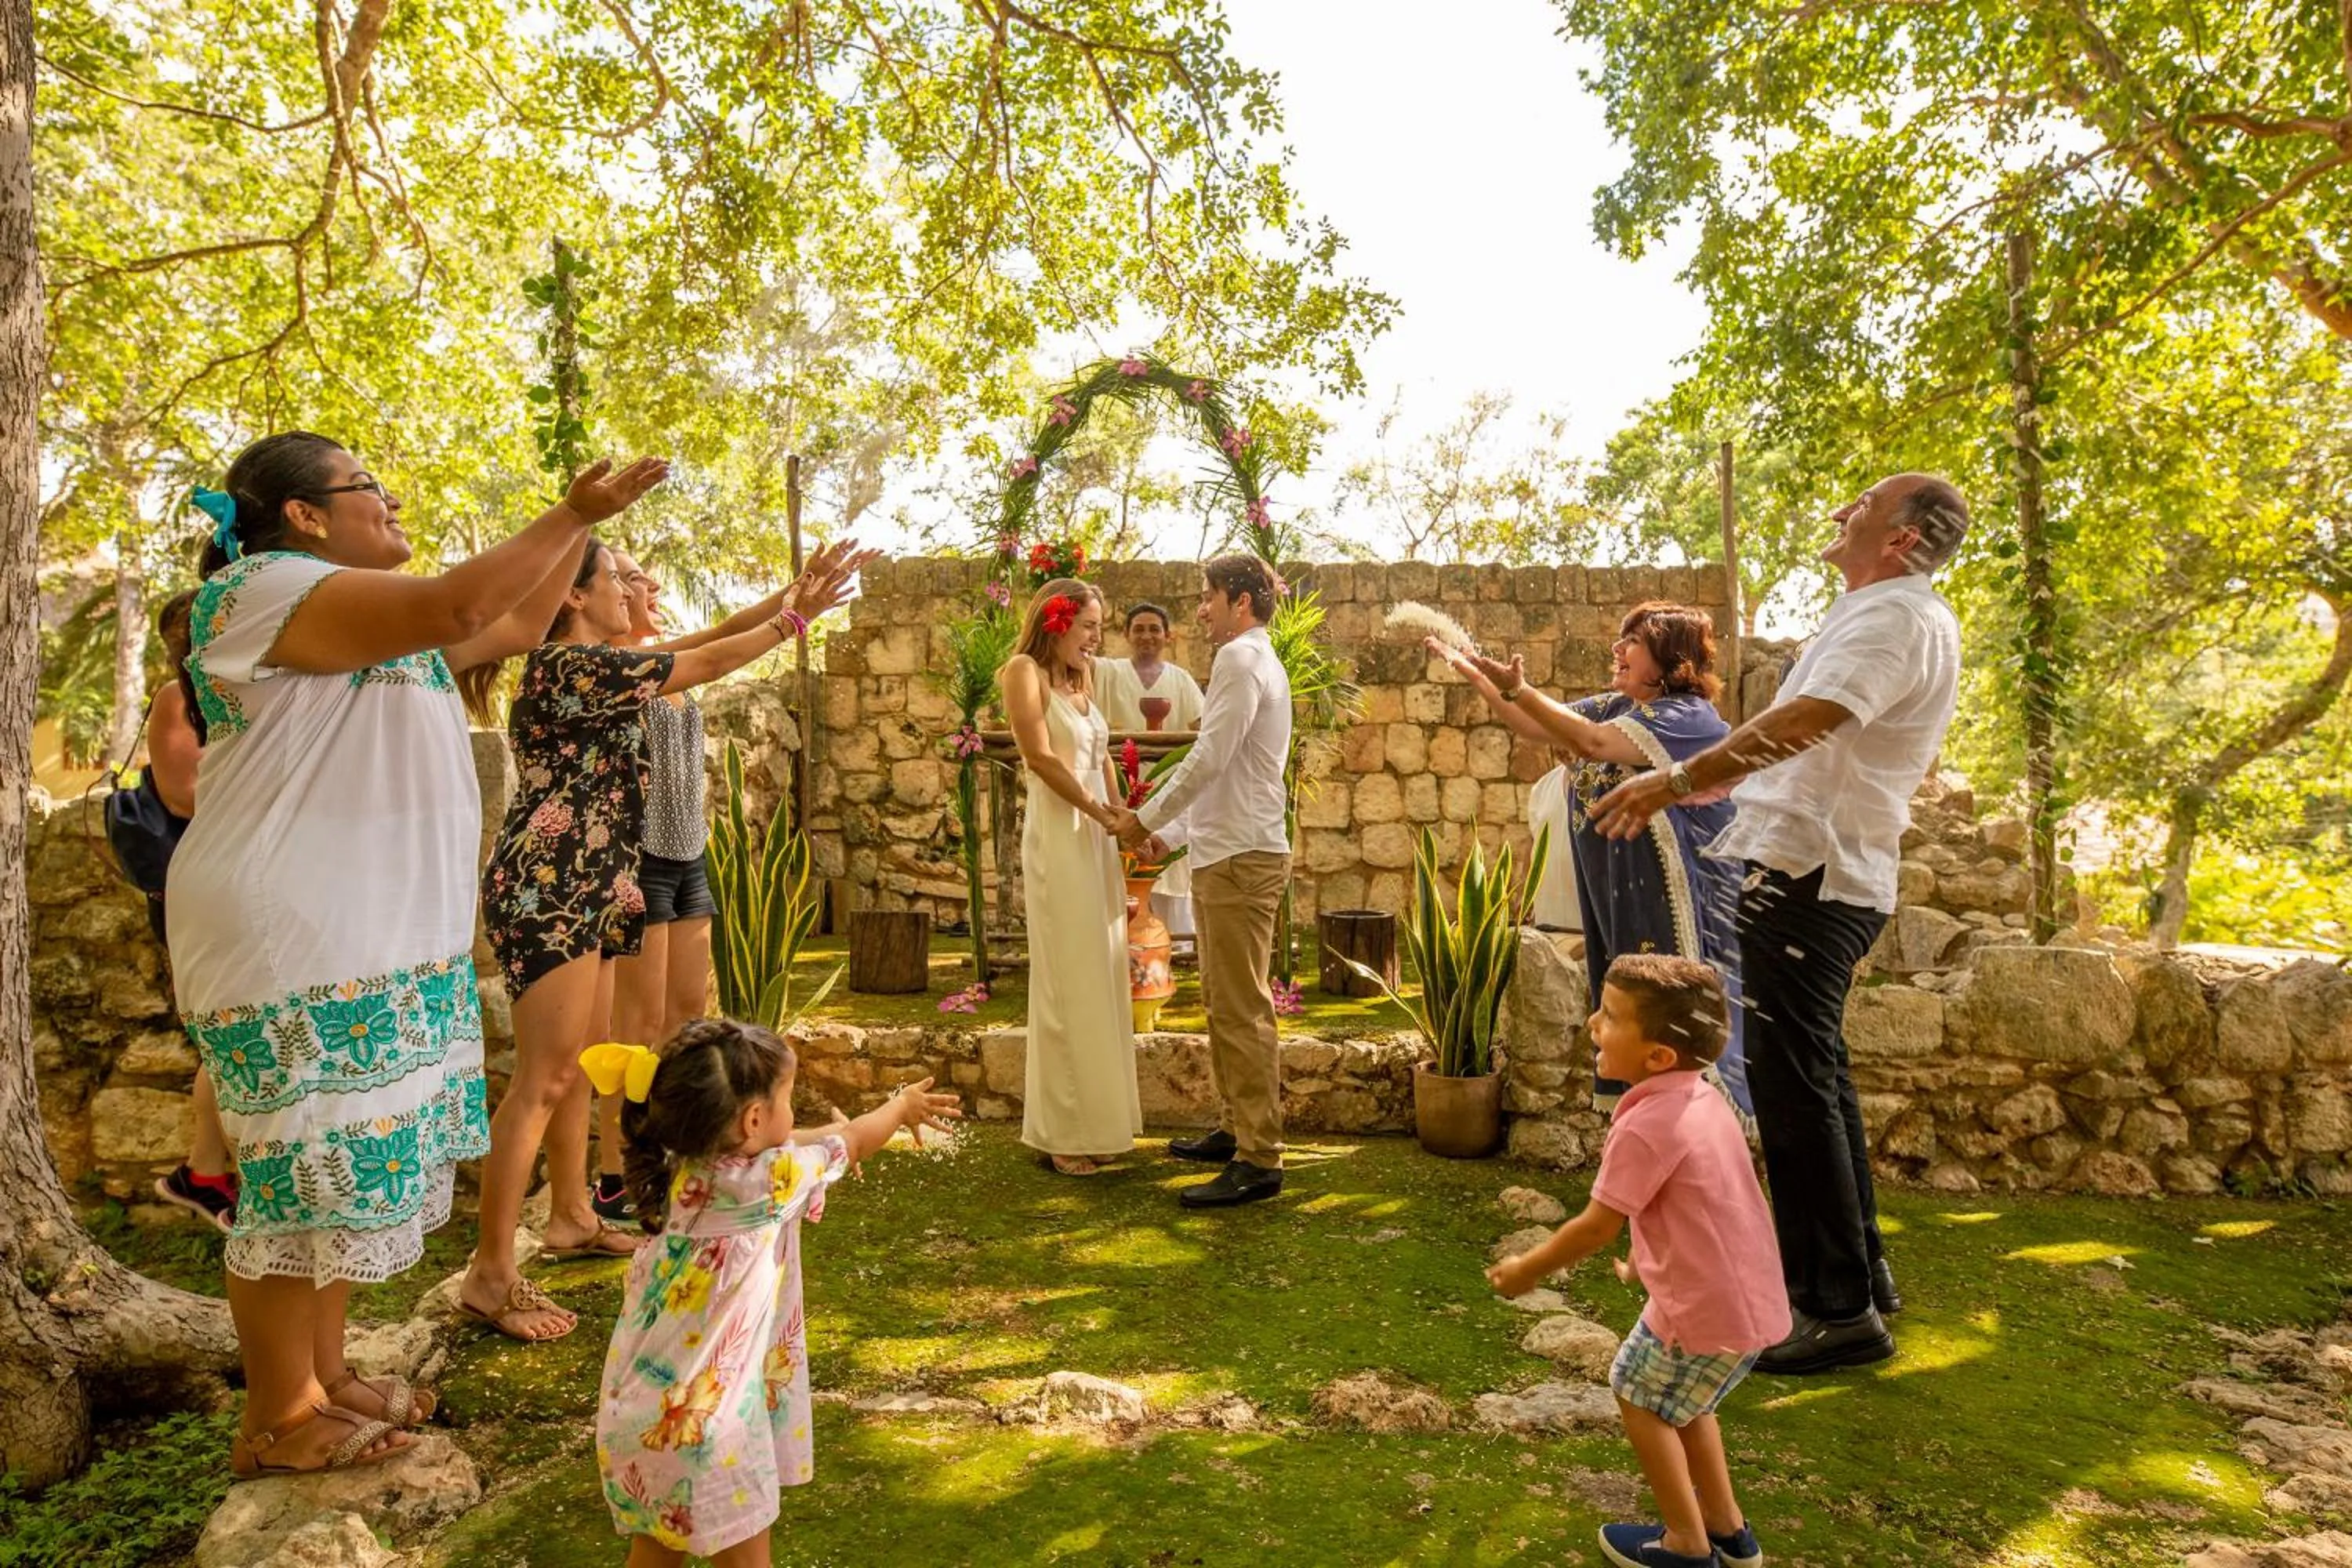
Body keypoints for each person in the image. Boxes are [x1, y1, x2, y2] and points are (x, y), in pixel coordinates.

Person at [169, 430, 668, 1476]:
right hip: (292, 933)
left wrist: (576, 541)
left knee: (345, 1170)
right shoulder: (262, 590)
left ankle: (327, 1374)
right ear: (304, 514)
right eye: (369, 488)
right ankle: (276, 1420)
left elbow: (512, 619)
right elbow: (458, 606)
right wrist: (572, 518)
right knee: (298, 1176)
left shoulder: (370, 631)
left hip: (375, 934)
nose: (391, 502)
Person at [1591, 473, 1970, 1375]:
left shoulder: (1894, 619)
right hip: (1818, 869)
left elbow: (1812, 718)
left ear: (1904, 539)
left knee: (1796, 1090)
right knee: (1818, 1077)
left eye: (1865, 506)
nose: (1843, 511)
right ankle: (1859, 1278)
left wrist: (1678, 779)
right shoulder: (1883, 613)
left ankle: (1833, 1308)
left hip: (1815, 873)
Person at [463, 536, 872, 1342]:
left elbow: (706, 643)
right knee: (542, 1078)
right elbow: (713, 659)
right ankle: (490, 1271)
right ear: (573, 597)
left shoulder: (604, 666)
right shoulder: (568, 668)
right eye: (616, 576)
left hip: (594, 882)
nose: (631, 587)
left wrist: (794, 601)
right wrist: (796, 614)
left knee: (580, 1063)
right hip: (551, 889)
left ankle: (574, 1214)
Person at [590, 1019, 960, 1568]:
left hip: (636, 1414)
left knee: (656, 1550)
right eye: (788, 1097)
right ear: (753, 1120)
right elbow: (853, 1142)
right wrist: (900, 1108)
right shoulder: (773, 1180)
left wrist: (828, 1131)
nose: (794, 1113)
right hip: (713, 1427)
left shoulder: (672, 1164)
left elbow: (790, 1141)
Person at [1486, 955, 1782, 1568]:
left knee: (1635, 1391)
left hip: (1699, 1310)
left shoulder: (1646, 1126)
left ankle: (1685, 1544)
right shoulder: (1703, 1101)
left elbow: (1596, 1225)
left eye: (1611, 1017)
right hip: (1743, 1300)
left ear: (1658, 1058)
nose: (1593, 1023)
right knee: (1688, 1405)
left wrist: (1527, 1269)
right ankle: (1728, 1532)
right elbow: (1709, 1211)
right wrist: (1647, 1265)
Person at [1428, 602, 1749, 1120]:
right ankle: (1644, 1145)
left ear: (1670, 658)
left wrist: (1516, 689)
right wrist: (1475, 672)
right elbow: (1537, 725)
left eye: (1634, 642)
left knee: (1669, 1026)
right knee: (1630, 1016)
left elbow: (1589, 742)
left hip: (1676, 908)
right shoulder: (1620, 708)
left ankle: (1691, 1150)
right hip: (1622, 900)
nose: (1617, 649)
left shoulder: (1687, 719)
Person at [1109, 554, 1292, 1209]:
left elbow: (1209, 760)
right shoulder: (1247, 660)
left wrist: (1141, 820)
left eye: (1208, 596)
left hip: (1243, 858)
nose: (1200, 608)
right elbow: (1229, 776)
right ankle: (1237, 1128)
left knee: (1241, 1007)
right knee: (1222, 1000)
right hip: (1227, 849)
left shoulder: (1242, 661)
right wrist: (1170, 835)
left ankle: (1259, 1158)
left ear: (1241, 601)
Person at [589, 550, 742, 1224]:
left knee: (687, 1016)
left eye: (648, 578)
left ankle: (679, 1153)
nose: (648, 585)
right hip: (639, 860)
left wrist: (799, 601)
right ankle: (613, 1173)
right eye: (630, 577)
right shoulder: (615, 674)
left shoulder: (671, 668)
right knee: (636, 1030)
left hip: (689, 857)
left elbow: (725, 637)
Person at [1000, 579, 1142, 1176]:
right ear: (1056, 623)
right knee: (1064, 979)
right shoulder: (1022, 672)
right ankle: (1061, 1131)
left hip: (1095, 841)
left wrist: (1123, 820)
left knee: (1100, 977)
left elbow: (1102, 754)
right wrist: (1095, 811)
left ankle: (1098, 1122)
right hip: (1059, 838)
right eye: (1088, 626)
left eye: (1099, 626)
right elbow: (1039, 756)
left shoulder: (1084, 681)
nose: (1097, 637)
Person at [136, 589, 242, 1233]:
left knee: (226, 1034)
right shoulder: (177, 699)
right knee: (225, 1033)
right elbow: (184, 794)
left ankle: (205, 1171)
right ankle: (205, 1172)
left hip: (240, 882)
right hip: (200, 888)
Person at [1094, 601, 1206, 938]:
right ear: (1126, 634)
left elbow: (1203, 729)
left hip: (1169, 789)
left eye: (1154, 629)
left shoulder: (1181, 680)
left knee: (1170, 865)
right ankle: (1122, 945)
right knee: (1121, 864)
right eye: (1139, 629)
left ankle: (1177, 945)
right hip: (1122, 788)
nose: (1147, 636)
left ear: (1168, 636)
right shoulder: (1110, 673)